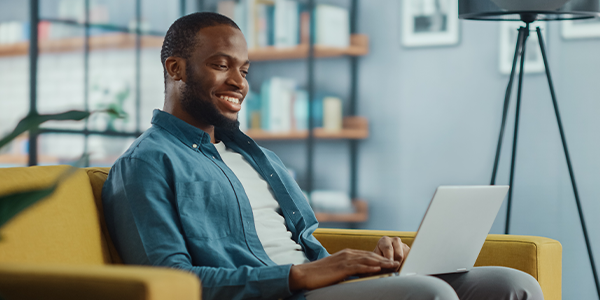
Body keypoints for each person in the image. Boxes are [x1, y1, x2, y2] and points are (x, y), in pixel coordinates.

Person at [102, 12, 544, 300]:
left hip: (315, 283)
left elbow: (306, 242)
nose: (239, 81)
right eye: (221, 65)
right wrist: (295, 278)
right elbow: (168, 283)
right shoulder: (145, 163)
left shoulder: (258, 157)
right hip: (280, 293)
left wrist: (374, 259)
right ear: (176, 69)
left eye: (244, 69)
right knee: (431, 296)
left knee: (512, 285)